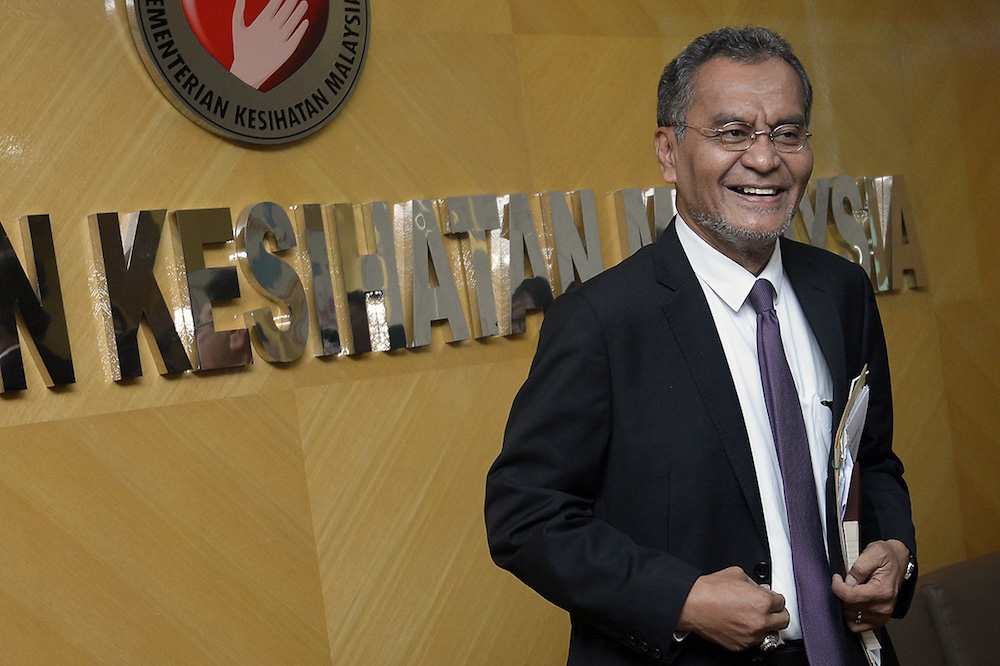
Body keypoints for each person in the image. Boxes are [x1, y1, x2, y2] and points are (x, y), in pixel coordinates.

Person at [485, 27, 916, 665]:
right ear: (669, 151)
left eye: (788, 133)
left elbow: (873, 461)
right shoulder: (602, 320)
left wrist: (897, 552)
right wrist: (680, 598)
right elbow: (525, 518)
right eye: (732, 132)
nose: (766, 159)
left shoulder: (841, 291)